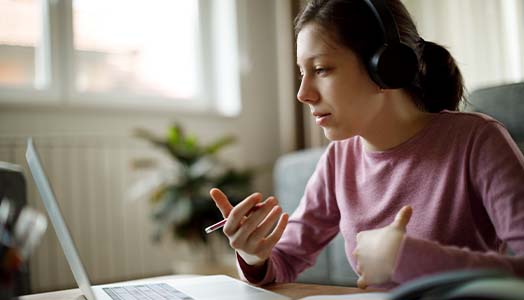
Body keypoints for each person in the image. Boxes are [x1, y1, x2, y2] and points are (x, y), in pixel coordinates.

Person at [210, 0, 524, 289]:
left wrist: (415, 260)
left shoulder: (478, 141)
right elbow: (286, 259)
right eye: (302, 73)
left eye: (320, 69)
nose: (303, 93)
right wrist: (254, 256)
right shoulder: (339, 159)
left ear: (386, 66)